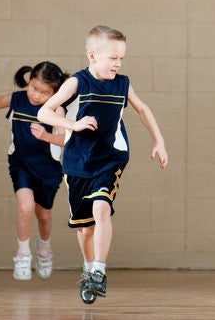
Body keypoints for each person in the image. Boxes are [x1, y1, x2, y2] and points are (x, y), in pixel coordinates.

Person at [37, 26, 168, 305]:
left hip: (111, 158)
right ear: (92, 55)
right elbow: (43, 111)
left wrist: (159, 141)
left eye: (121, 59)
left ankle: (98, 270)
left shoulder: (122, 83)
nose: (118, 64)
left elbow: (142, 109)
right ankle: (88, 268)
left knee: (101, 207)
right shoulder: (77, 82)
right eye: (112, 58)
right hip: (77, 162)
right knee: (84, 229)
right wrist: (73, 125)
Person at [0, 61, 69, 281]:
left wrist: (45, 136)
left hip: (49, 168)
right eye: (33, 87)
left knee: (44, 215)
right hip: (21, 163)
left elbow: (66, 141)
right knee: (25, 207)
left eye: (44, 92)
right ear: (28, 81)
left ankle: (44, 249)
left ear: (55, 93)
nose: (36, 95)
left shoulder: (57, 110)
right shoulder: (16, 100)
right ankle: (22, 254)